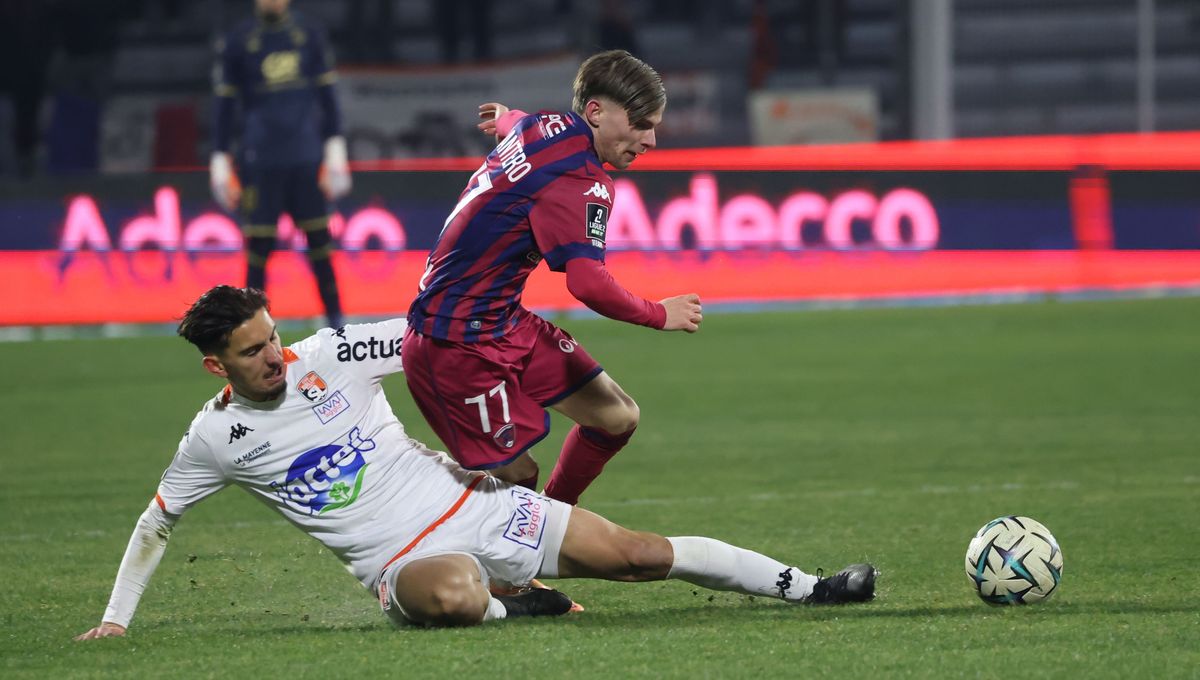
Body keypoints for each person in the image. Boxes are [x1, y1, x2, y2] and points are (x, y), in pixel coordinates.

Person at [75, 286, 875, 638]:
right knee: (453, 594)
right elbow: (157, 523)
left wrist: (491, 432)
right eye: (252, 353)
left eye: (273, 336)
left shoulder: (331, 354)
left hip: (475, 502)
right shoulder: (213, 441)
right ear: (218, 367)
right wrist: (116, 620)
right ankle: (510, 605)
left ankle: (812, 589)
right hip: (402, 559)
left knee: (636, 556)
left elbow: (438, 337)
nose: (274, 357)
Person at [402, 50, 703, 507]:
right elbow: (587, 284)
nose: (651, 139)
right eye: (641, 123)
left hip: (500, 321)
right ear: (596, 112)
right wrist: (659, 313)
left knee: (615, 416)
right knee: (518, 478)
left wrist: (505, 119)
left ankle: (552, 526)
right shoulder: (581, 181)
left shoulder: (541, 124)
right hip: (452, 341)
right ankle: (501, 567)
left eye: (654, 125)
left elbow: (516, 122)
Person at [210, 0, 349, 329]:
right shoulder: (239, 40)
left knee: (319, 242)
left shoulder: (309, 34)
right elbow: (225, 105)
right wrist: (219, 156)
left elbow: (328, 96)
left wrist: (335, 146)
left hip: (305, 155)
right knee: (259, 245)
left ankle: (337, 324)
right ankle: (252, 324)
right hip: (260, 158)